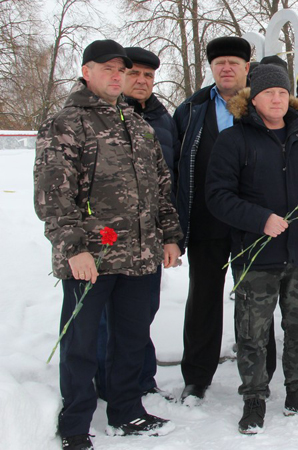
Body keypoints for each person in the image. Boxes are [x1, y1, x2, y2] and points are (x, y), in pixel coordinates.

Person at [35, 39, 181, 449]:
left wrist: (170, 236)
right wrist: (72, 247)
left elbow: (161, 190)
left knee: (131, 338)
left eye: (124, 70)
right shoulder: (66, 123)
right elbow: (52, 195)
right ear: (87, 72)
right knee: (82, 343)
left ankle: (126, 410)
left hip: (141, 257)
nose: (118, 77)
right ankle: (76, 424)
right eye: (108, 69)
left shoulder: (138, 125)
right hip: (92, 258)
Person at [205, 64, 298, 432]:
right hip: (257, 255)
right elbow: (218, 196)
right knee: (252, 332)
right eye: (269, 93)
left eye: (283, 93)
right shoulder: (234, 140)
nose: (277, 99)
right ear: (253, 97)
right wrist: (259, 219)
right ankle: (254, 396)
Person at [93, 46, 180, 403]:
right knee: (103, 319)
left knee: (142, 311)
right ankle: (107, 381)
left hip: (150, 237)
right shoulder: (105, 115)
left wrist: (172, 232)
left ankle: (141, 379)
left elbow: (169, 179)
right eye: (134, 74)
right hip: (109, 241)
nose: (141, 81)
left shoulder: (162, 119)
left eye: (148, 76)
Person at [173, 36, 251, 404]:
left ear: (246, 68)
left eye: (234, 62)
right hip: (206, 221)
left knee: (254, 299)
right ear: (211, 68)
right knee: (203, 299)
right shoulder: (191, 109)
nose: (226, 68)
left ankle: (257, 375)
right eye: (220, 62)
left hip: (253, 223)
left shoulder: (262, 103)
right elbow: (174, 167)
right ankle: (197, 377)